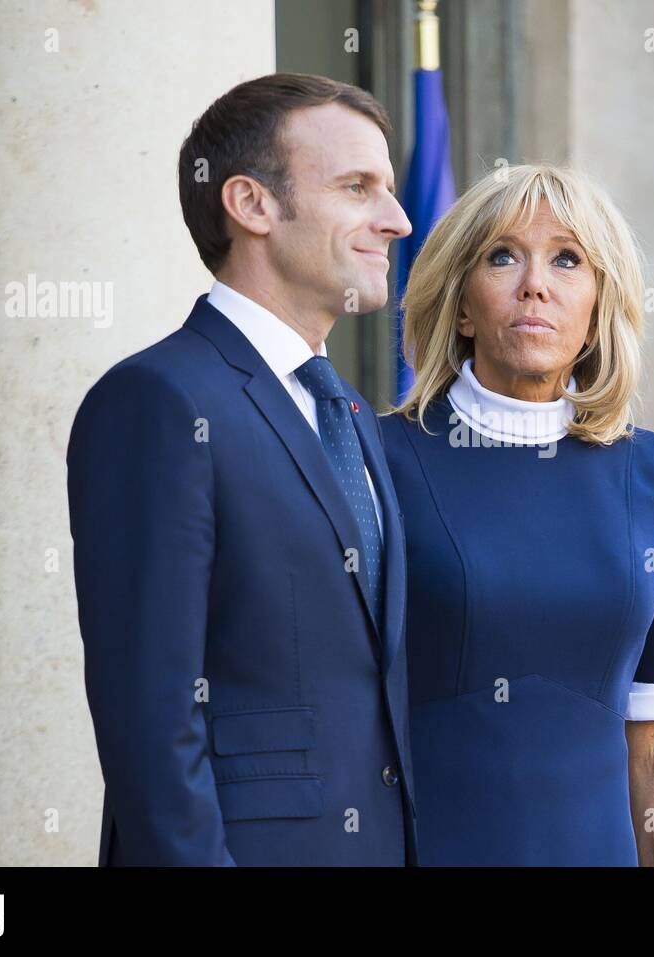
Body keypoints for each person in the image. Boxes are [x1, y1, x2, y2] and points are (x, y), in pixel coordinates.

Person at [66, 73, 415, 865]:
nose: (395, 220)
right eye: (358, 187)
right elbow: (150, 717)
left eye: (388, 190)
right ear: (252, 204)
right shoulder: (155, 400)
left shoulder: (352, 415)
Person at [381, 164, 654, 866]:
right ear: (461, 306)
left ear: (596, 310)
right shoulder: (381, 458)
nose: (535, 284)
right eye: (502, 256)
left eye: (567, 260)